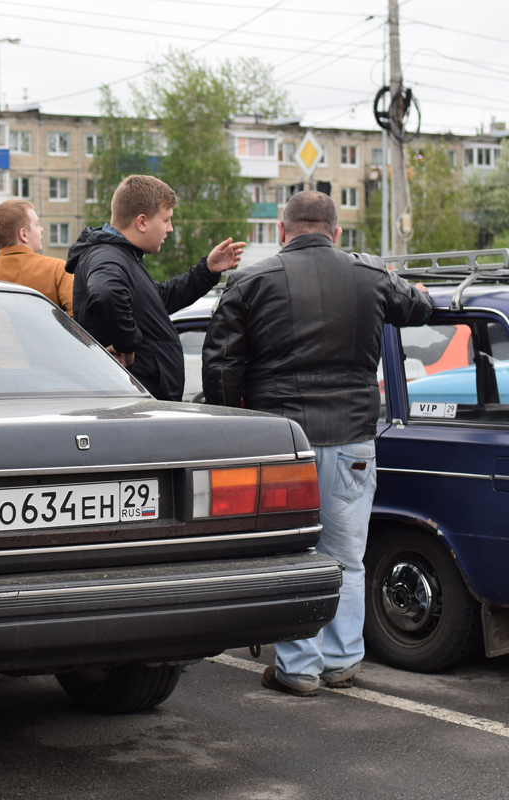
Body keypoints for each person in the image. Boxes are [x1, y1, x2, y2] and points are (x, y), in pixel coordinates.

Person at [201, 190, 432, 697]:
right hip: (352, 440)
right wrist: (385, 273)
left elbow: (219, 366)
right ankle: (343, 661)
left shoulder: (249, 282)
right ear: (337, 233)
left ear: (282, 232)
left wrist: (234, 426)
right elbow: (421, 307)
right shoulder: (369, 276)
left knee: (292, 554)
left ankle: (299, 669)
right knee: (347, 557)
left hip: (283, 444)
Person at [65, 175, 245, 401]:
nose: (170, 229)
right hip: (135, 407)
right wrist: (126, 346)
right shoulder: (107, 256)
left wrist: (207, 270)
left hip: (141, 404)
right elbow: (106, 293)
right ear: (141, 222)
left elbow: (159, 300)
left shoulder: (122, 256)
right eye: (166, 220)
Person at [0, 199, 73, 314]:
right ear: (23, 234)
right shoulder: (57, 270)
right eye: (37, 225)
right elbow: (79, 315)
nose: (41, 229)